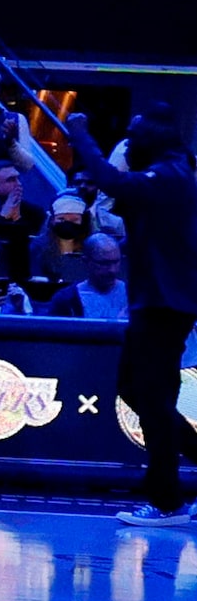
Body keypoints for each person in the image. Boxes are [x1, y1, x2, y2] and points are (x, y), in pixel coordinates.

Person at [59, 102, 196, 526]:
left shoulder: (169, 176)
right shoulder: (171, 173)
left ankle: (167, 501)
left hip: (165, 301)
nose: (129, 142)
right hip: (157, 299)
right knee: (135, 391)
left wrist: (80, 135)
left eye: (134, 136)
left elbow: (111, 180)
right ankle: (170, 493)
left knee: (153, 400)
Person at [43, 231, 130, 320]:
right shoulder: (65, 299)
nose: (112, 270)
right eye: (104, 263)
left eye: (116, 262)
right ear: (86, 262)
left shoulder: (134, 296)